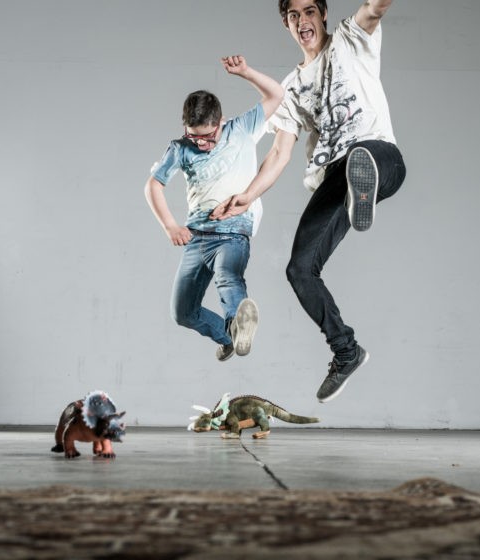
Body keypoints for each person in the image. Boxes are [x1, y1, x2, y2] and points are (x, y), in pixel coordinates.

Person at [211, 0, 406, 402]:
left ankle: (364, 185)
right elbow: (279, 153)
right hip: (335, 177)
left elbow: (375, 7)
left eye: (309, 12)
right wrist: (247, 195)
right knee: (300, 269)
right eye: (294, 16)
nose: (303, 21)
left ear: (323, 15)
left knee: (362, 155)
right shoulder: (291, 88)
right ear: (287, 24)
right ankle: (346, 351)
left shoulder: (351, 39)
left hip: (380, 155)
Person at [144, 55, 283, 362]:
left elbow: (276, 95)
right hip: (197, 237)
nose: (201, 144)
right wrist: (170, 226)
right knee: (182, 312)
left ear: (221, 122)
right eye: (194, 136)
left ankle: (238, 324)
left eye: (208, 137)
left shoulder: (242, 128)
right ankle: (228, 337)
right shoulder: (180, 148)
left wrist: (246, 72)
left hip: (233, 231)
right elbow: (153, 186)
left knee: (227, 275)